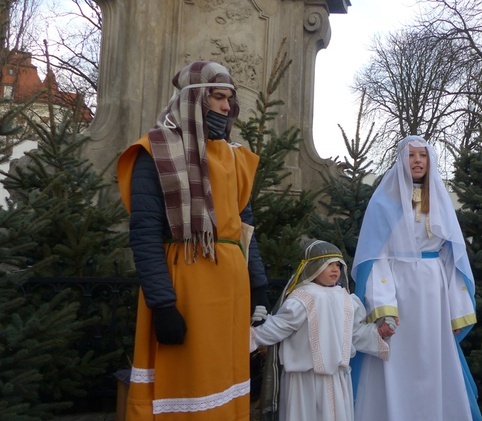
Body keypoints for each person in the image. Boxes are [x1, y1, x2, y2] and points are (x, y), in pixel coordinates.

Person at [116, 61, 270, 420]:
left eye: (229, 99)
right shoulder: (153, 152)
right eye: (218, 97)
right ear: (194, 98)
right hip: (185, 286)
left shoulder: (234, 157)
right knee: (185, 382)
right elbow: (144, 234)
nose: (226, 107)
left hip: (230, 290)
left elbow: (244, 227)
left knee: (225, 381)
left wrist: (259, 285)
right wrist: (163, 304)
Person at [351, 135, 481, 421]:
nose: (418, 160)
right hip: (398, 291)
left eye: (423, 155)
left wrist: (458, 310)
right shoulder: (384, 203)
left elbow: (452, 260)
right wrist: (384, 308)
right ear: (401, 160)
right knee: (397, 359)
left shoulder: (440, 203)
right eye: (411, 155)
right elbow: (377, 257)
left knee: (431, 359)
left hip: (434, 294)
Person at [250, 240, 390, 421]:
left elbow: (354, 333)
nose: (335, 269)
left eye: (338, 265)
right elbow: (280, 326)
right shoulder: (302, 298)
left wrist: (377, 333)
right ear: (312, 267)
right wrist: (254, 334)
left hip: (337, 379)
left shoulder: (346, 299)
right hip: (304, 380)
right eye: (328, 264)